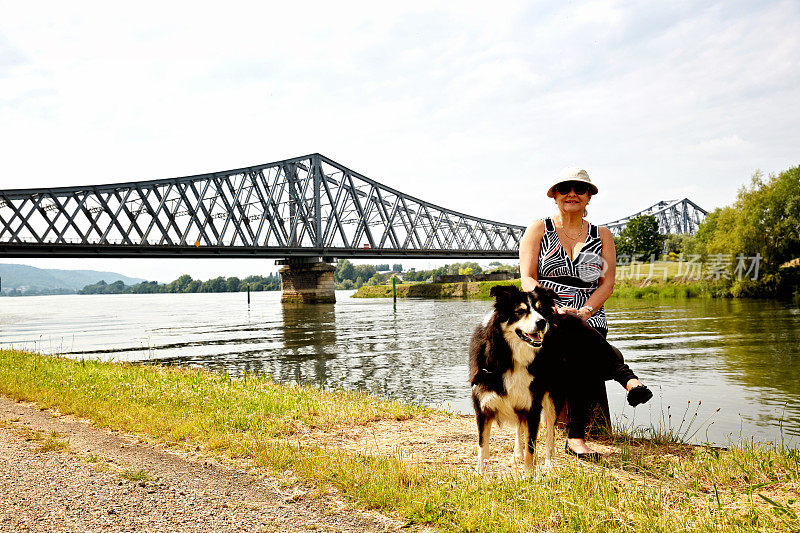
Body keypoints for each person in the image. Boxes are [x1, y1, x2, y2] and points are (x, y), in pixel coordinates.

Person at [519, 167, 652, 460]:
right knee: (568, 329)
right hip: (545, 317)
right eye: (565, 188)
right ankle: (627, 380)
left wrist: (586, 310)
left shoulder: (602, 234)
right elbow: (527, 278)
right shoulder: (538, 229)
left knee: (575, 345)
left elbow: (607, 283)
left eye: (580, 189)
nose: (572, 194)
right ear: (554, 195)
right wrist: (551, 306)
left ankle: (575, 436)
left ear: (589, 196)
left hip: (590, 318)